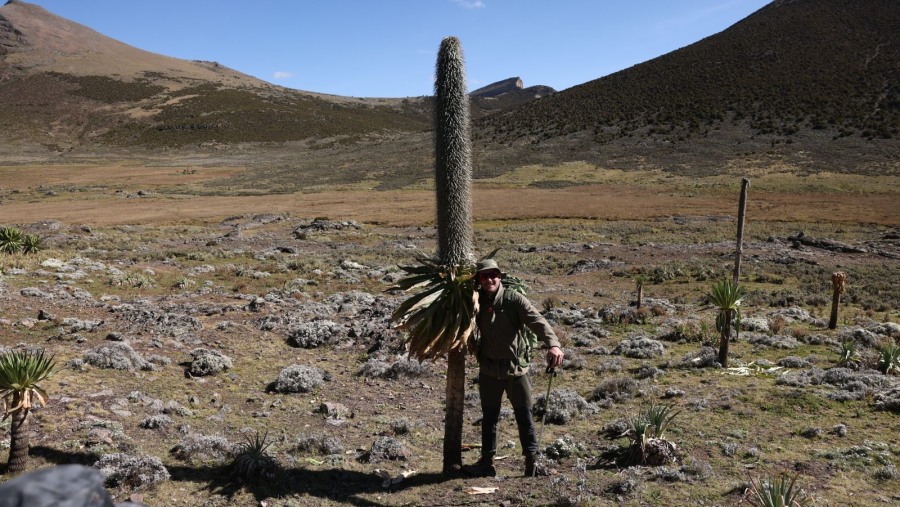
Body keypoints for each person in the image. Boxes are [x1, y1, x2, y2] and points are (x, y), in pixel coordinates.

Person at [463, 259, 564, 477]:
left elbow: (537, 321)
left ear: (500, 277)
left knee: (524, 416)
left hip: (516, 369)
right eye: (484, 276)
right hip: (489, 369)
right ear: (479, 280)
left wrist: (553, 344)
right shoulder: (475, 300)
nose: (490, 279)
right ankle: (486, 463)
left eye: (494, 275)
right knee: (489, 417)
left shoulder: (513, 299)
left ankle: (532, 463)